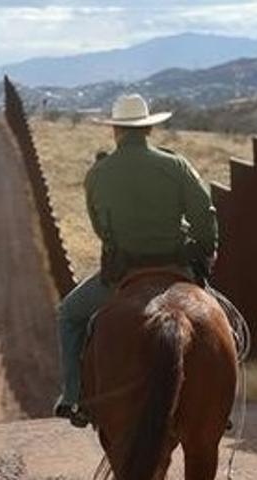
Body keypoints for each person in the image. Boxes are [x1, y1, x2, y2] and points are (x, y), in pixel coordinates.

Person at [54, 94, 219, 427]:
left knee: (69, 315)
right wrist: (207, 249)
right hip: (177, 269)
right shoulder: (176, 165)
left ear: (115, 129)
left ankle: (72, 396)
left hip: (121, 275)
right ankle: (221, 403)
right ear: (148, 129)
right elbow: (204, 215)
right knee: (222, 323)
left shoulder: (98, 174)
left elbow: (100, 227)